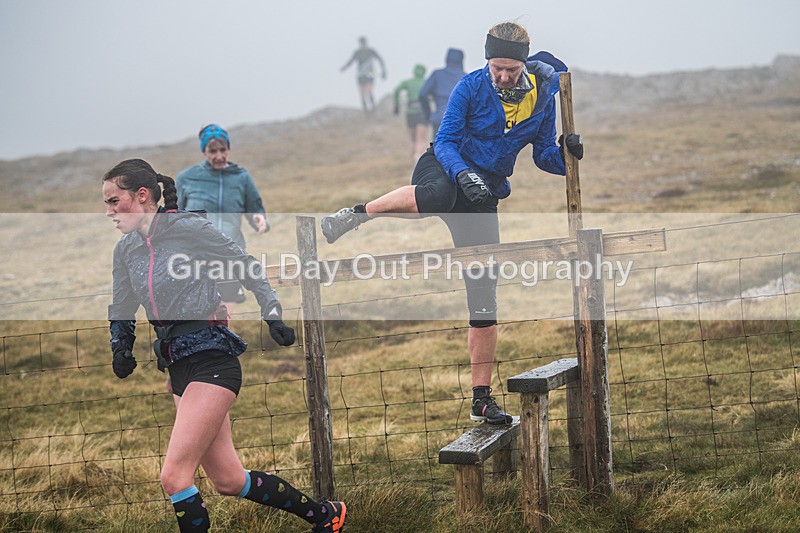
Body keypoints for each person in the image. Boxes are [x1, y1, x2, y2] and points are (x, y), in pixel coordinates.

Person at [321, 21, 584, 425]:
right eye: (496, 67)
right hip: (445, 168)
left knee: (484, 290)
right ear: (487, 61)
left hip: (485, 191)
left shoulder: (542, 98)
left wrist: (567, 155)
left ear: (524, 65)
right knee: (438, 196)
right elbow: (443, 141)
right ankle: (358, 214)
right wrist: (463, 174)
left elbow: (542, 153)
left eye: (510, 69)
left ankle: (481, 398)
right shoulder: (471, 86)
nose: (501, 76)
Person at [103, 159, 346, 533]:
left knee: (174, 477)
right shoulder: (126, 250)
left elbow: (244, 263)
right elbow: (121, 305)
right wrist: (122, 345)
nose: (109, 212)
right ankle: (325, 516)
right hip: (177, 366)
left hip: (212, 361)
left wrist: (272, 312)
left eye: (114, 201)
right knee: (229, 480)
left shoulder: (188, 228)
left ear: (142, 196)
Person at [176, 124, 269, 317]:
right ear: (204, 151)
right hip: (195, 259)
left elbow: (254, 207)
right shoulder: (187, 179)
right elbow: (174, 215)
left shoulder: (241, 177)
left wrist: (259, 219)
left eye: (223, 150)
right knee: (199, 319)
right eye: (212, 151)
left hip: (229, 256)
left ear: (228, 149)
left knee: (223, 320)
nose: (219, 156)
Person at [419, 48, 466, 138]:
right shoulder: (466, 77)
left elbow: (422, 94)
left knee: (438, 149)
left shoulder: (437, 75)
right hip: (460, 122)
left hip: (440, 119)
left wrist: (428, 114)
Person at [393, 64, 430, 165]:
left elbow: (396, 90)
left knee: (412, 140)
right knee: (421, 139)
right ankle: (418, 158)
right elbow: (430, 97)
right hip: (422, 112)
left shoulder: (408, 82)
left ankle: (412, 161)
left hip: (410, 113)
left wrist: (396, 105)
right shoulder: (426, 83)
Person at [341, 36, 386, 114]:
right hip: (360, 75)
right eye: (361, 44)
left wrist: (384, 71)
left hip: (370, 74)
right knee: (362, 93)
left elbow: (380, 59)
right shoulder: (357, 52)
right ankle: (366, 112)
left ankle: (373, 109)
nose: (363, 45)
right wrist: (344, 67)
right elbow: (351, 61)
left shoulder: (371, 51)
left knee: (369, 91)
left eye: (364, 43)